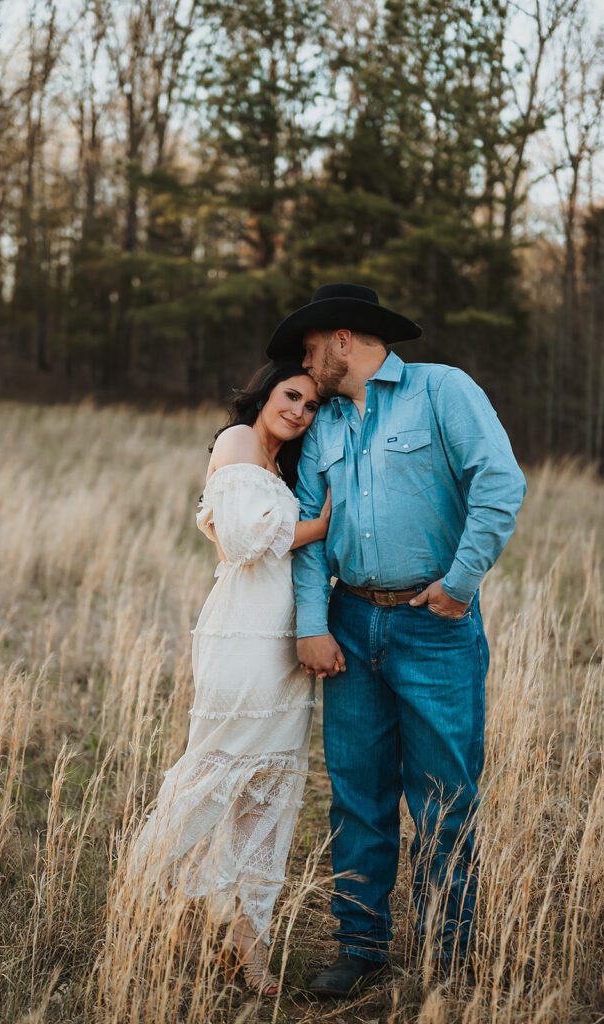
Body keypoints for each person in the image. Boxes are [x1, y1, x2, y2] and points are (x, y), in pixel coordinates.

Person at [266, 283, 527, 997]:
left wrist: (461, 581)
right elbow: (312, 528)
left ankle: (450, 959)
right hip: (350, 625)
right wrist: (314, 622)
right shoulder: (324, 425)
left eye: (310, 348)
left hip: (434, 626)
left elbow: (500, 483)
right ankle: (360, 946)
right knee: (357, 796)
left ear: (343, 339)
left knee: (443, 799)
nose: (304, 362)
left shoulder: (442, 391)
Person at [126, 360, 333, 997]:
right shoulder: (238, 441)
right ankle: (139, 906)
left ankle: (251, 949)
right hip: (243, 637)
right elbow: (242, 542)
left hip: (283, 642)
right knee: (215, 772)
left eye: (310, 406)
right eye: (290, 395)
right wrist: (323, 523)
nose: (299, 411)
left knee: (268, 794)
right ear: (266, 392)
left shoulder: (279, 465)